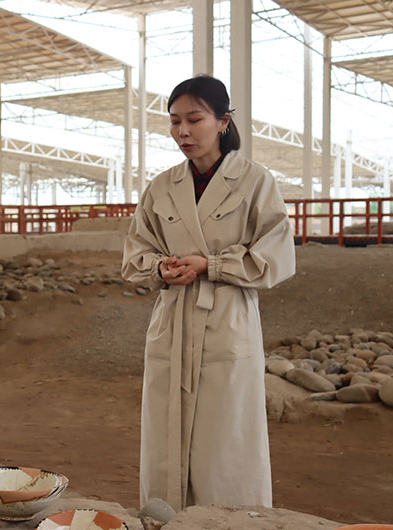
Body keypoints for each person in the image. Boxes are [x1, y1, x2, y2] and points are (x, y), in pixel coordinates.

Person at [122, 75, 295, 512]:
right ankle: (163, 518)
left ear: (223, 122)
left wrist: (213, 265)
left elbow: (276, 258)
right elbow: (134, 257)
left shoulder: (256, 181)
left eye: (195, 119)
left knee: (226, 439)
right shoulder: (161, 187)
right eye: (175, 121)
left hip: (226, 321)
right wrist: (162, 268)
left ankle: (233, 521)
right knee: (166, 435)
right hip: (173, 321)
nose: (183, 131)